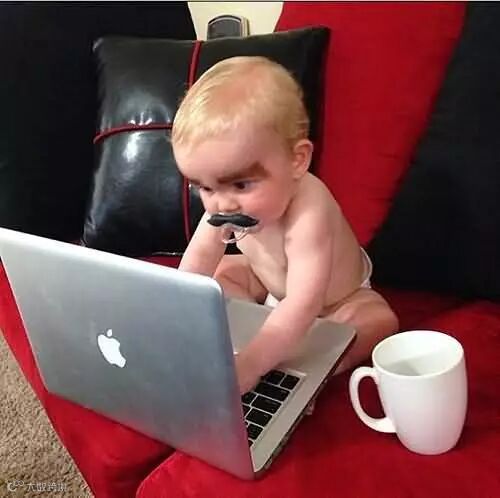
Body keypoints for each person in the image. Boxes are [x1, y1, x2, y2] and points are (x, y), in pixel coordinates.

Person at [172, 56, 399, 395]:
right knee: (221, 275)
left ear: (297, 160)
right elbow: (194, 268)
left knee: (377, 322)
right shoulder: (225, 204)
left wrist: (251, 365)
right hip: (271, 286)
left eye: (241, 184)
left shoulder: (310, 210)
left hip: (335, 301)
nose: (222, 205)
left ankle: (310, 365)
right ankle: (265, 338)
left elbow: (304, 302)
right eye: (205, 187)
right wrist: (170, 317)